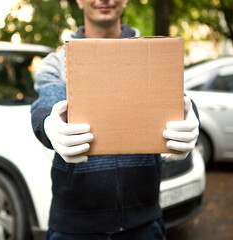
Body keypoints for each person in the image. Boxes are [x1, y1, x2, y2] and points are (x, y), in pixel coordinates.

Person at [30, 0, 199, 239]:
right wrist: (48, 124)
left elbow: (177, 101)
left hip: (143, 222)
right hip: (74, 226)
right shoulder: (57, 61)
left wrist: (191, 118)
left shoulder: (153, 53)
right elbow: (46, 104)